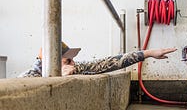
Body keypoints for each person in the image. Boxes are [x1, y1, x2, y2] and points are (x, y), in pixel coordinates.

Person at [19, 42, 177, 77]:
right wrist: (56, 80)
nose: (73, 63)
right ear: (51, 61)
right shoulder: (27, 79)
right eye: (68, 60)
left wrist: (147, 53)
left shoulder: (73, 69)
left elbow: (107, 63)